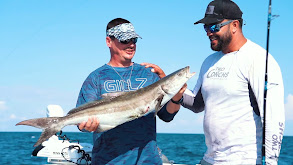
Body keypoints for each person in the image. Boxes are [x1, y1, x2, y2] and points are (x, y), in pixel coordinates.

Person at [181, 0, 285, 164]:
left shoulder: (258, 59)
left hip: (245, 159)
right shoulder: (209, 61)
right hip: (210, 159)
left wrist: (271, 161)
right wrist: (168, 85)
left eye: (214, 26)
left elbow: (273, 117)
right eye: (206, 27)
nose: (209, 32)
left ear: (235, 25)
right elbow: (196, 103)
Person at [76, 18, 185, 165]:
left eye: (134, 39)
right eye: (124, 40)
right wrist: (86, 126)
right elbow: (81, 123)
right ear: (109, 41)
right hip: (108, 161)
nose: (131, 45)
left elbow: (166, 115)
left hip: (148, 161)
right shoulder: (96, 78)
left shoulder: (148, 74)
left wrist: (177, 97)